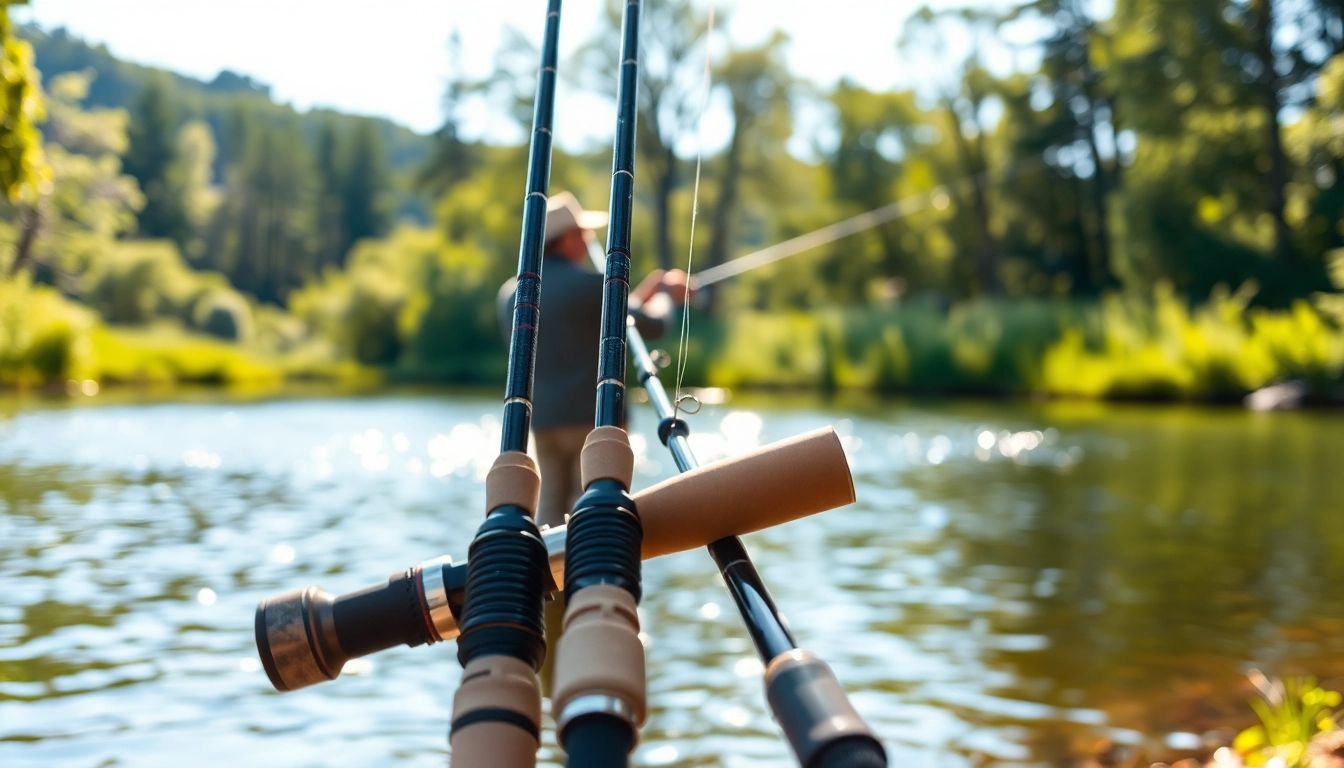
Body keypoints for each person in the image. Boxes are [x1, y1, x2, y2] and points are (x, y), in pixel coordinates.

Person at [497, 191, 692, 530]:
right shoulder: (590, 286)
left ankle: (547, 582)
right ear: (568, 239)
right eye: (582, 232)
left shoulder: (511, 294)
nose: (588, 239)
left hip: (543, 422)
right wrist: (664, 295)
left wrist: (646, 289)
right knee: (589, 509)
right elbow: (653, 323)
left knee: (550, 512)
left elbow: (614, 309)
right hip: (595, 420)